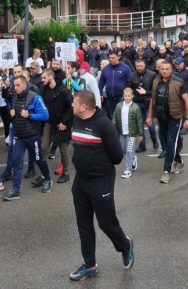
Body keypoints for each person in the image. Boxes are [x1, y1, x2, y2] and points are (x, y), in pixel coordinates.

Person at [69, 90, 135, 281]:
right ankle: (90, 265)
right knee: (83, 225)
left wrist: (96, 163)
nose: (72, 105)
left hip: (101, 181)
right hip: (80, 181)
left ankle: (125, 245)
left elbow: (117, 156)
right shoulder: (76, 120)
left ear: (84, 106)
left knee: (106, 223)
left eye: (74, 103)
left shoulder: (104, 125)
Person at [2, 75, 52, 201]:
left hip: (32, 136)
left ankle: (47, 180)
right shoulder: (15, 97)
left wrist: (29, 115)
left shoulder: (35, 97)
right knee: (16, 162)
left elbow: (45, 115)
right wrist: (11, 114)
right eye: (14, 85)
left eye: (18, 85)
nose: (15, 87)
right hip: (19, 136)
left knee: (39, 159)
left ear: (25, 85)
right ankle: (15, 190)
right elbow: (14, 113)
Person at [145, 61, 188, 183]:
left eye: (167, 69)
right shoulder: (156, 81)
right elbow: (153, 99)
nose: (164, 71)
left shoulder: (178, 82)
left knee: (171, 143)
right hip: (161, 116)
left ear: (171, 70)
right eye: (162, 69)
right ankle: (179, 161)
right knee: (166, 143)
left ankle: (166, 171)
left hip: (175, 117)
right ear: (159, 69)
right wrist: (149, 117)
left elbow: (187, 101)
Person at [39, 69, 73, 184]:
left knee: (63, 149)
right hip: (48, 122)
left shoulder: (63, 90)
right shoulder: (43, 89)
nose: (42, 80)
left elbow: (71, 107)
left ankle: (66, 173)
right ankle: (44, 174)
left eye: (44, 78)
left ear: (51, 77)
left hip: (61, 124)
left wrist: (64, 122)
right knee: (44, 147)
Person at [127, 59, 158, 153]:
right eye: (137, 66)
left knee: (150, 124)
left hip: (148, 102)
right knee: (139, 124)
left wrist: (146, 92)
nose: (139, 68)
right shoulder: (132, 75)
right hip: (137, 102)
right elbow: (129, 88)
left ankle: (154, 139)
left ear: (144, 65)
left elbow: (155, 91)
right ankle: (142, 144)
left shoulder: (152, 75)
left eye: (140, 66)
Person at [113, 88, 142, 179]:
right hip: (122, 132)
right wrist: (112, 127)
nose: (127, 98)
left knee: (129, 150)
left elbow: (139, 121)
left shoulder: (135, 108)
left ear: (132, 96)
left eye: (129, 96)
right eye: (125, 96)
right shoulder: (119, 106)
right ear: (123, 96)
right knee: (123, 150)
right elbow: (115, 117)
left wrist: (140, 134)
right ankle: (133, 159)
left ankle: (127, 170)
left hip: (132, 133)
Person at [98, 50, 131, 120]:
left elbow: (130, 81)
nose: (111, 59)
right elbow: (101, 81)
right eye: (110, 58)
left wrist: (127, 93)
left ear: (118, 57)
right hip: (109, 97)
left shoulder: (125, 68)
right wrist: (100, 93)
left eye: (113, 58)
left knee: (121, 117)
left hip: (121, 97)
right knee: (113, 117)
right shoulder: (106, 69)